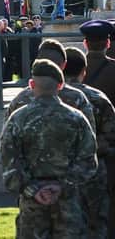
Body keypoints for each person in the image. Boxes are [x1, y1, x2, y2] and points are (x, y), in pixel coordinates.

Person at [0, 59, 97, 238]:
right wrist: (61, 186)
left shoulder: (17, 119)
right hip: (68, 204)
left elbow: (9, 163)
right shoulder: (77, 119)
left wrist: (33, 189)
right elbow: (88, 161)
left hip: (32, 207)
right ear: (60, 85)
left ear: (31, 84)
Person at [64, 47, 115, 238]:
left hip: (55, 175)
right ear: (84, 71)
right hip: (93, 173)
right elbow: (112, 134)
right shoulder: (97, 98)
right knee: (96, 226)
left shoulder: (41, 97)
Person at [4, 39, 96, 133]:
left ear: (37, 63)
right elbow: (89, 139)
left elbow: (7, 141)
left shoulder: (20, 100)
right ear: (64, 65)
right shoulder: (78, 98)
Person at [79, 19, 115, 236]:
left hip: (76, 151)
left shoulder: (70, 70)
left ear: (85, 43)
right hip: (108, 149)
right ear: (107, 43)